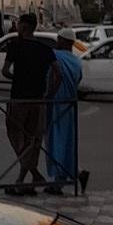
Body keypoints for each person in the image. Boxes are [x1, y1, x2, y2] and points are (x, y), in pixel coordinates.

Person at [1, 11, 55, 193]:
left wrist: (18, 78)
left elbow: (5, 71)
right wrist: (49, 94)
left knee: (15, 135)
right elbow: (58, 72)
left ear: (23, 27)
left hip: (19, 98)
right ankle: (27, 179)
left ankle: (28, 177)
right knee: (33, 140)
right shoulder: (45, 49)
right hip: (38, 99)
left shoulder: (15, 46)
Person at [45, 34, 82, 194]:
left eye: (59, 39)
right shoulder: (76, 61)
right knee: (67, 142)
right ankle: (70, 176)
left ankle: (59, 180)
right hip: (69, 104)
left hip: (56, 104)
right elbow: (78, 80)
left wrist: (48, 96)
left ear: (63, 41)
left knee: (56, 141)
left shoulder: (55, 56)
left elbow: (51, 77)